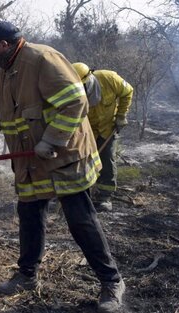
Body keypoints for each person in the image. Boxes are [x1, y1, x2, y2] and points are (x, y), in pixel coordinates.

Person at [0, 21, 125, 313]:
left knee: (80, 219)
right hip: (30, 162)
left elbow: (75, 101)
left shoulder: (43, 59)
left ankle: (112, 281)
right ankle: (27, 275)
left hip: (65, 157)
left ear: (5, 44)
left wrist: (52, 139)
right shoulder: (5, 75)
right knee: (30, 214)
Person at [72, 63, 134, 212]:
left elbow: (128, 92)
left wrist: (121, 116)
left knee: (107, 158)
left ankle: (104, 196)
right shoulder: (71, 91)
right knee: (83, 159)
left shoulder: (109, 78)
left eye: (84, 86)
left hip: (108, 127)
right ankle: (82, 192)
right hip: (87, 131)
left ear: (89, 77)